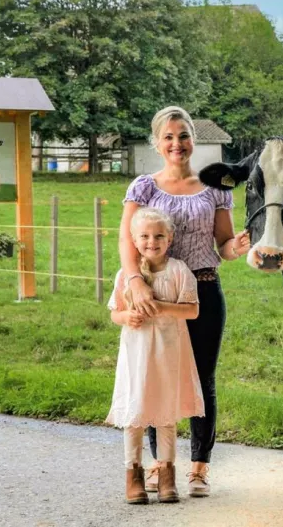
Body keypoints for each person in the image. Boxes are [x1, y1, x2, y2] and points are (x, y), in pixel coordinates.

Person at [119, 105, 250, 497]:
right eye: (169, 137)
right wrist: (136, 282)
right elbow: (127, 241)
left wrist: (238, 245)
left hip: (203, 291)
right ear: (157, 143)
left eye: (184, 135)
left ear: (195, 139)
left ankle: (198, 467)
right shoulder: (144, 187)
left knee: (202, 378)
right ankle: (161, 466)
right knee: (158, 378)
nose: (177, 143)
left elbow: (223, 245)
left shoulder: (214, 188)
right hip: (156, 294)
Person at [106, 206, 204, 505]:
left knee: (165, 414)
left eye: (159, 235)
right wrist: (126, 318)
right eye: (145, 236)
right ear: (134, 240)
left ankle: (166, 475)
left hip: (168, 354)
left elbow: (192, 310)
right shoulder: (127, 275)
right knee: (135, 414)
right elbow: (114, 313)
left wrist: (161, 307)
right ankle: (133, 474)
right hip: (137, 355)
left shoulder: (178, 271)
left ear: (170, 238)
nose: (152, 242)